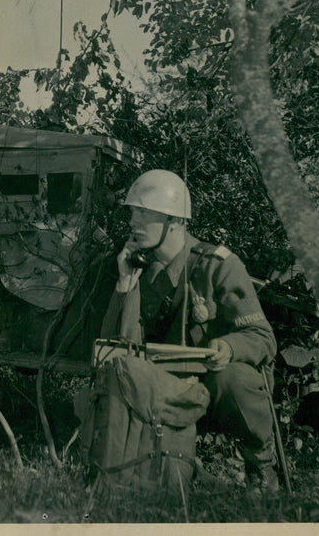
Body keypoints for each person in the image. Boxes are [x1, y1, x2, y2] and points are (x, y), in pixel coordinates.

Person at [100, 169, 279, 493]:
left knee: (235, 379)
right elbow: (116, 349)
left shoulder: (217, 265)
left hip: (211, 388)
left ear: (175, 222)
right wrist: (125, 284)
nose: (132, 222)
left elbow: (263, 338)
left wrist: (227, 348)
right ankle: (170, 467)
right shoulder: (140, 269)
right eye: (133, 212)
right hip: (164, 388)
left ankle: (262, 470)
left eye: (143, 213)